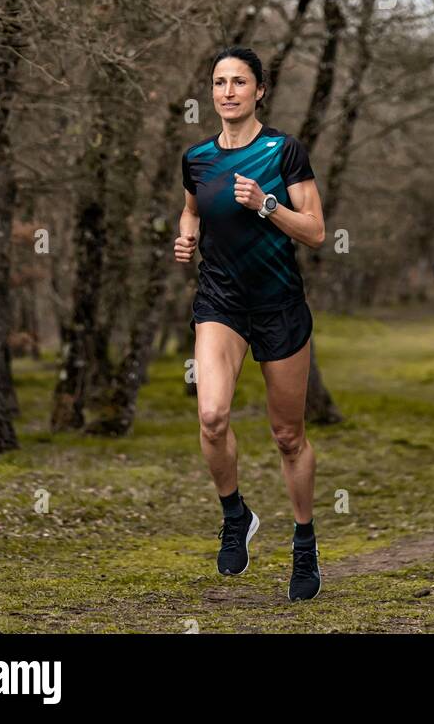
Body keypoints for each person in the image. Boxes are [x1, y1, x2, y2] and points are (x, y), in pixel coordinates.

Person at [174, 46, 326, 602]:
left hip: (279, 304)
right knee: (212, 417)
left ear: (259, 90)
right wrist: (187, 235)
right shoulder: (197, 158)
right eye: (219, 82)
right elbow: (193, 207)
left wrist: (267, 206)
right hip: (221, 302)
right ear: (211, 92)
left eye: (240, 81)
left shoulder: (284, 151)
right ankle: (235, 514)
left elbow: (314, 231)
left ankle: (304, 542)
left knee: (288, 436)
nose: (229, 91)